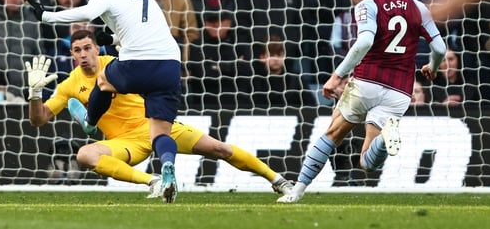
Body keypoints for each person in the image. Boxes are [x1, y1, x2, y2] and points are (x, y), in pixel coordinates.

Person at [26, 30, 293, 199]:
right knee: (85, 154)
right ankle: (153, 182)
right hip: (125, 142)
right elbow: (39, 120)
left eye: (87, 48)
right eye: (77, 50)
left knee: (219, 148)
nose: (83, 54)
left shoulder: (118, 65)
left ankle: (278, 180)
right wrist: (35, 94)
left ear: (97, 48)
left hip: (156, 125)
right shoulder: (69, 84)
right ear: (72, 55)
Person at [278, 0, 447, 203]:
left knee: (333, 134)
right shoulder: (418, 7)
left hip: (367, 82)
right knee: (368, 161)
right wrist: (433, 67)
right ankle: (381, 141)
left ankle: (297, 190)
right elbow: (440, 48)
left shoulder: (367, 5)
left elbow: (364, 41)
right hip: (400, 91)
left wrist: (337, 76)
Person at [26, 0, 182, 203]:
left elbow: (87, 13)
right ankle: (167, 165)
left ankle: (90, 119)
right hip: (170, 64)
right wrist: (112, 38)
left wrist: (47, 16)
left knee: (103, 79)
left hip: (139, 63)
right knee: (161, 132)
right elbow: (147, 25)